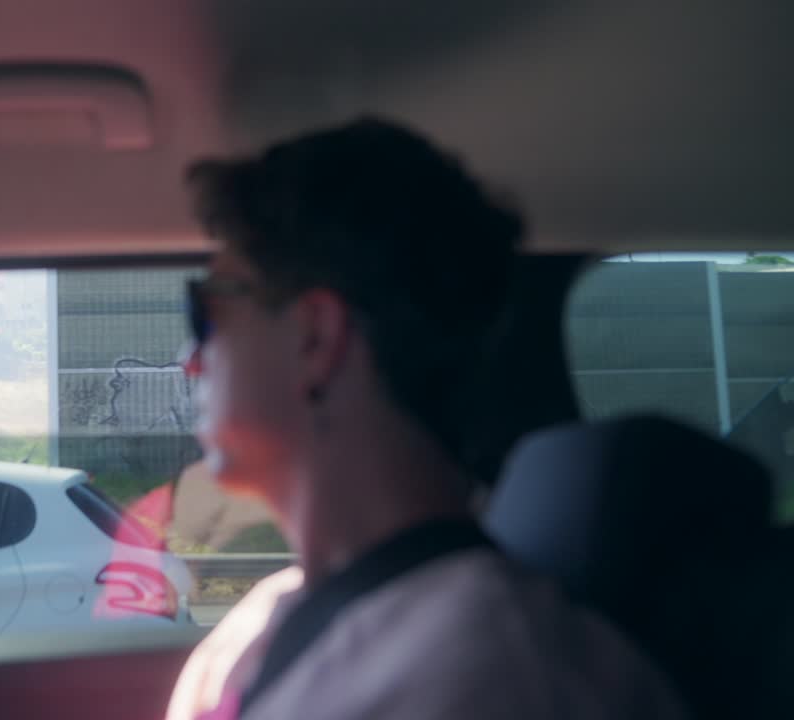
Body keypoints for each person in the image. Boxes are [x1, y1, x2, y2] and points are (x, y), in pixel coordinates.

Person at [165, 117, 685, 719]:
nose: (189, 360)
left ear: (316, 338)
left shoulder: (486, 673)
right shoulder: (268, 616)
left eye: (207, 312)